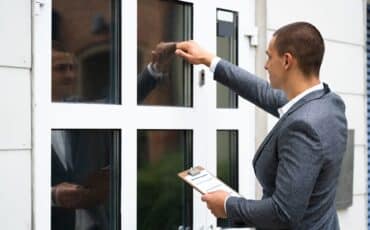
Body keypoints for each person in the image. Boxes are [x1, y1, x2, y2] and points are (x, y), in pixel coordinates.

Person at [174, 22, 347, 229]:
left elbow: (283, 213)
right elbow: (262, 92)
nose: (266, 65)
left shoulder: (303, 126)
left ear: (286, 61)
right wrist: (209, 60)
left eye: (269, 56)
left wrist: (228, 205)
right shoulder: (329, 102)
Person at [51, 41, 176, 230]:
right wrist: (52, 195)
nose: (70, 75)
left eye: (72, 68)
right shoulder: (22, 120)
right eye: (60, 69)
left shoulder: (78, 109)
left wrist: (154, 69)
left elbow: (119, 104)